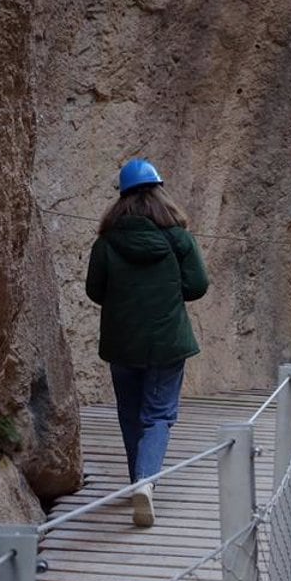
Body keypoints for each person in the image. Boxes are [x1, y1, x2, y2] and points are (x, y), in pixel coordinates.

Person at [84, 158, 209, 527]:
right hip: (168, 341)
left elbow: (95, 291)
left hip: (123, 342)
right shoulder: (179, 240)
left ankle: (138, 482)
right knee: (158, 415)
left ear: (121, 198)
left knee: (130, 413)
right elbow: (197, 286)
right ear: (159, 192)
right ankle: (145, 482)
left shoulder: (106, 243)